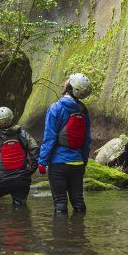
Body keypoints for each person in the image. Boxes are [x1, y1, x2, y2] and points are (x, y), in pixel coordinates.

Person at [37, 73, 93, 215]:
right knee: (78, 202)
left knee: (60, 204)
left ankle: (62, 236)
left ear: (70, 87)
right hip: (77, 163)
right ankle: (80, 234)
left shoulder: (56, 108)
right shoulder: (84, 112)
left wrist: (42, 161)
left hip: (58, 164)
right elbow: (86, 141)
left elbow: (49, 138)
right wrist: (83, 160)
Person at [0, 107, 39, 207]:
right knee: (20, 208)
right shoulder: (23, 134)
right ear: (11, 118)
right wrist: (30, 171)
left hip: (2, 180)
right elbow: (35, 151)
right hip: (22, 180)